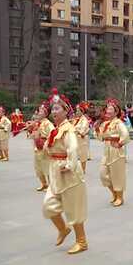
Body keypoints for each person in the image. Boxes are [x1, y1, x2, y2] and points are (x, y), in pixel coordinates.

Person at [42, 93, 89, 254]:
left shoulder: (68, 129)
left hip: (68, 172)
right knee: (48, 205)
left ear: (65, 110)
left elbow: (73, 149)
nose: (53, 111)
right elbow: (48, 150)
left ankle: (81, 241)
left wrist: (70, 164)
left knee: (73, 207)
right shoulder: (55, 130)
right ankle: (63, 229)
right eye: (52, 109)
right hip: (55, 172)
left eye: (57, 108)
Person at [95, 98, 131, 207]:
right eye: (107, 109)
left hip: (116, 150)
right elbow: (100, 138)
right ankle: (114, 193)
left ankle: (119, 196)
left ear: (116, 112)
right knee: (103, 174)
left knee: (117, 174)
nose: (108, 111)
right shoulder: (105, 124)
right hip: (106, 150)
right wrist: (97, 130)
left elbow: (125, 135)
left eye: (111, 109)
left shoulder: (119, 123)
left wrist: (119, 143)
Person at [31, 101, 55, 191]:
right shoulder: (37, 123)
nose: (39, 112)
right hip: (37, 147)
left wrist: (46, 143)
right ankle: (43, 184)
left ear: (45, 113)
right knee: (38, 168)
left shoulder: (48, 124)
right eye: (39, 110)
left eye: (41, 111)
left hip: (44, 147)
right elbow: (33, 133)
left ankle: (51, 185)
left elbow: (53, 134)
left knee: (46, 167)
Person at [73, 102, 91, 173]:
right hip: (75, 139)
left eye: (78, 110)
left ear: (82, 111)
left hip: (82, 139)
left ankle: (83, 170)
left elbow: (83, 130)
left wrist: (75, 130)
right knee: (74, 154)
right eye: (76, 110)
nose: (77, 112)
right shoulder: (75, 119)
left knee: (83, 155)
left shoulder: (84, 120)